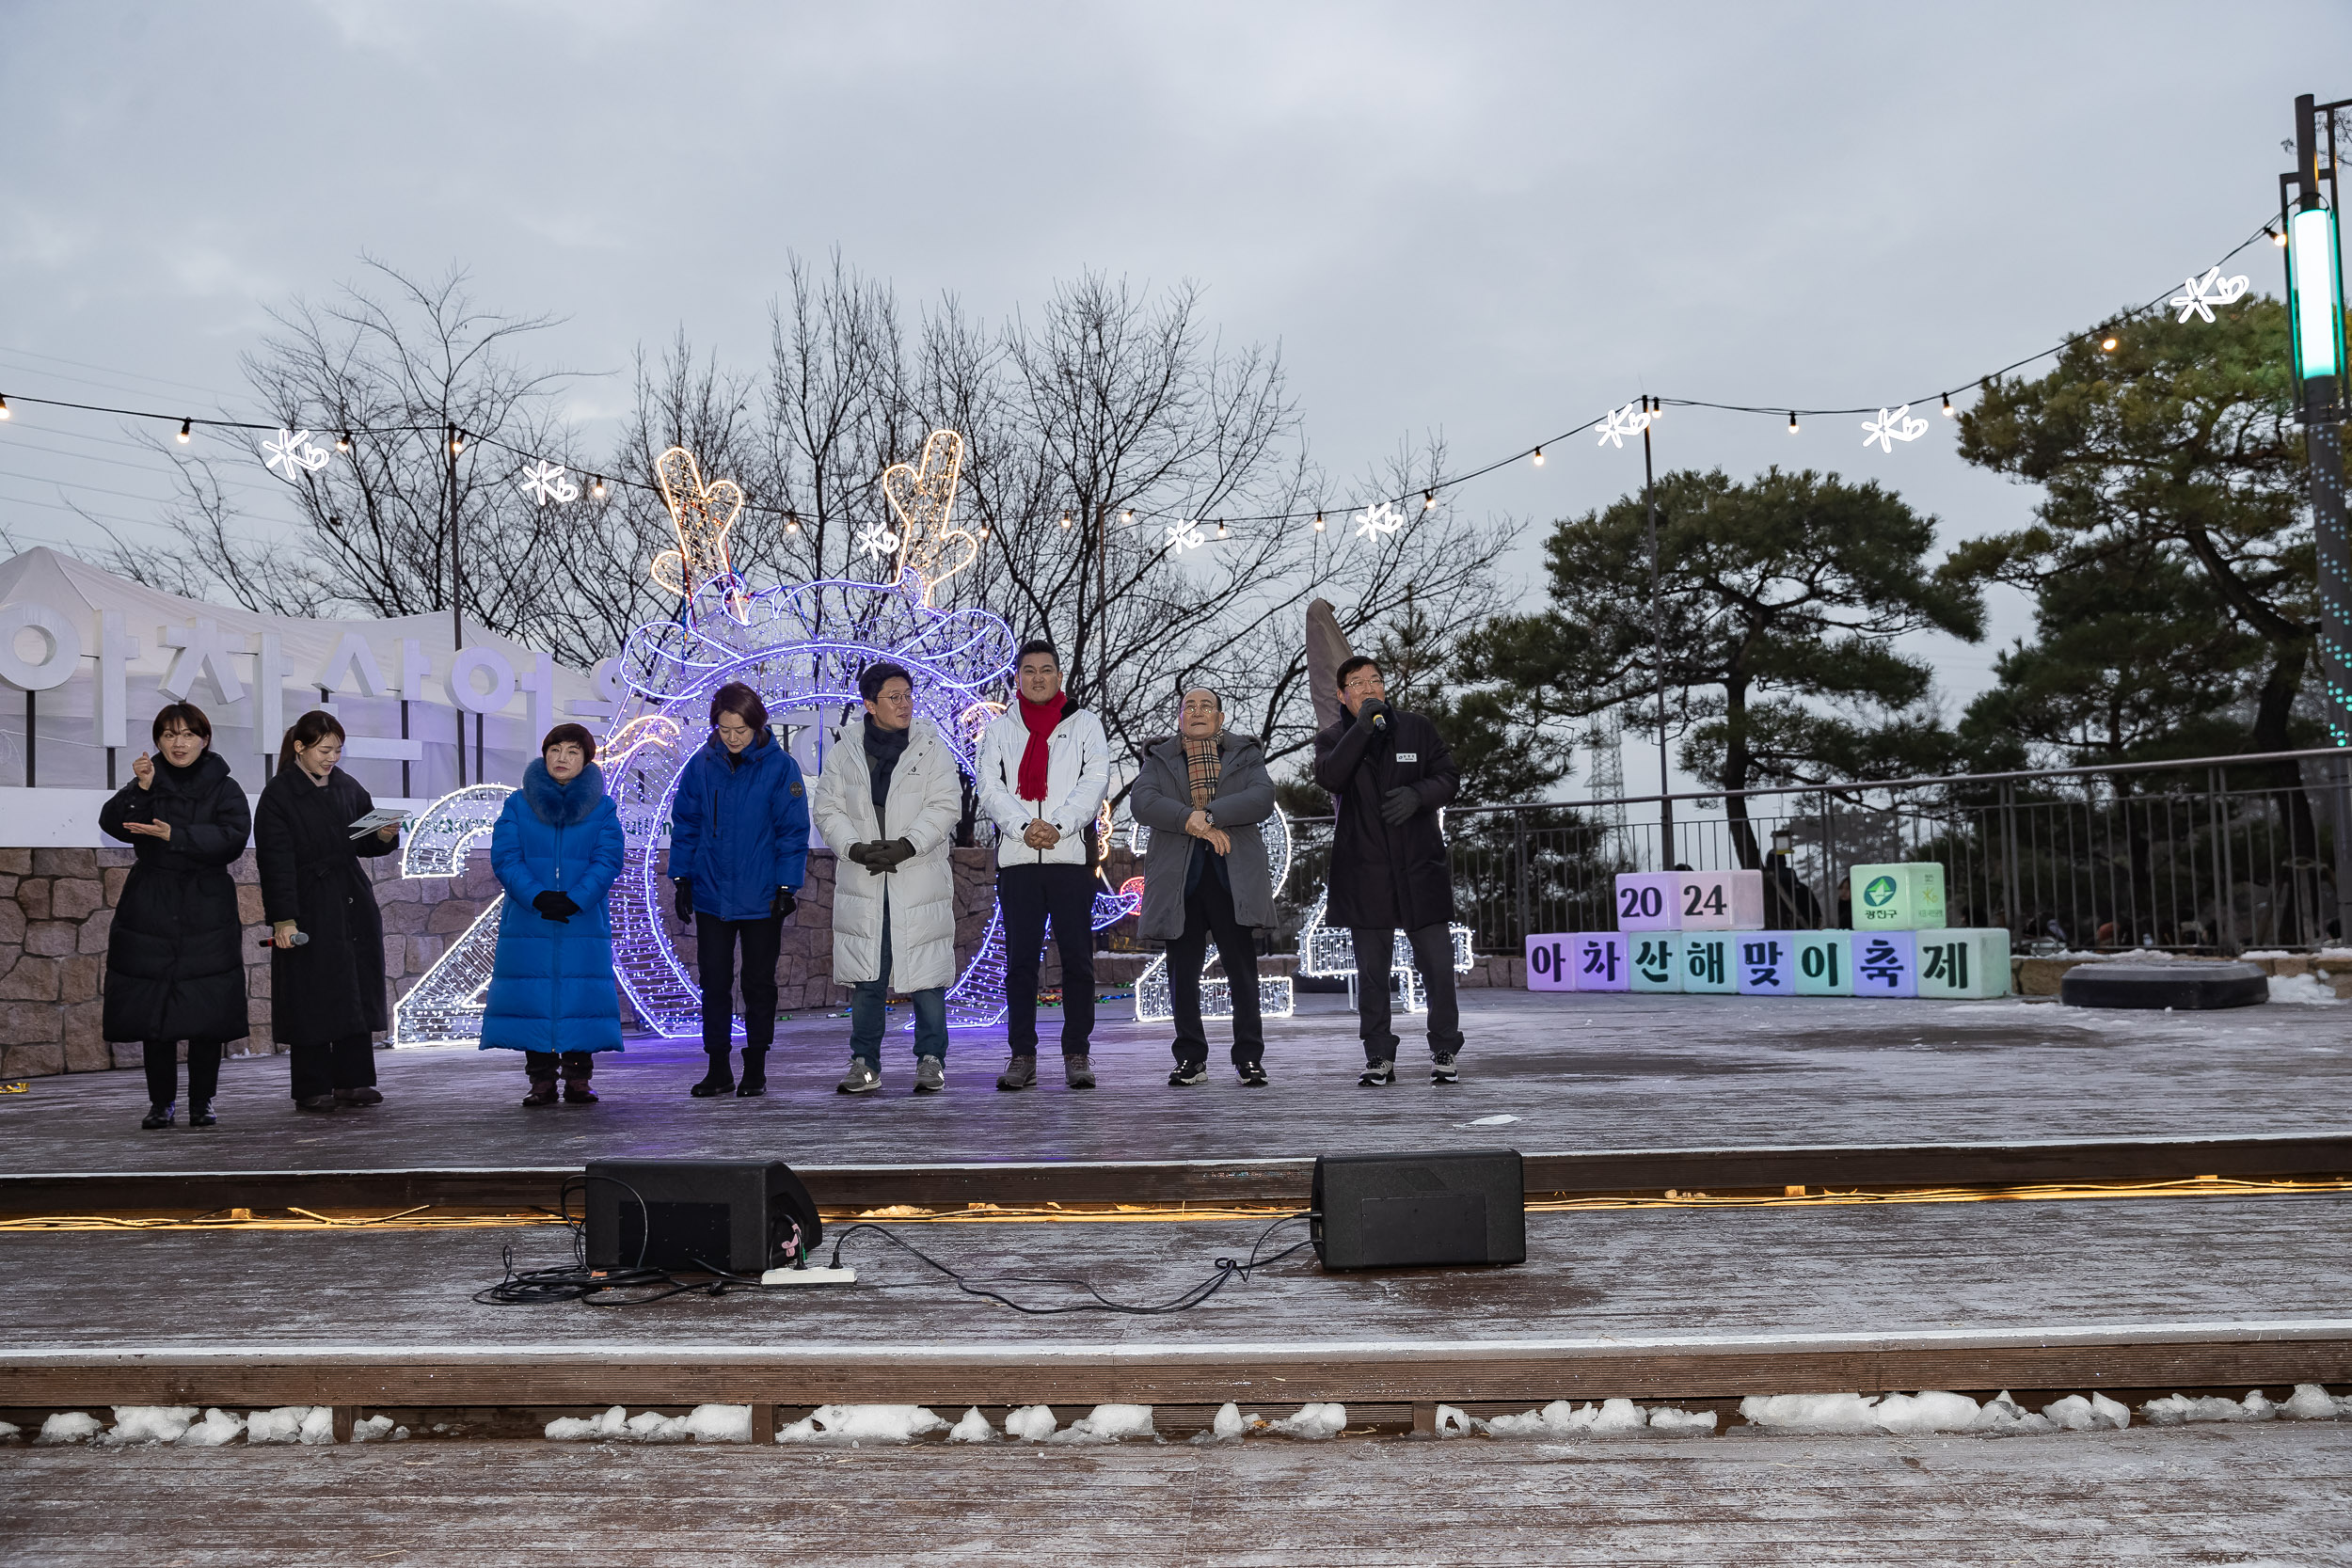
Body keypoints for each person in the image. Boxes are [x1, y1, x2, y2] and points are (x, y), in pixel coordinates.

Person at [1311, 655, 1463, 1086]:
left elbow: (1449, 777)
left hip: (1419, 867)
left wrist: (1419, 795)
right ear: (1341, 695)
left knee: (1437, 966)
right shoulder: (1331, 739)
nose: (1369, 688)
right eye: (1356, 683)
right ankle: (1379, 1055)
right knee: (1373, 975)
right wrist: (1362, 729)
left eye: (1375, 680)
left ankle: (1445, 1049)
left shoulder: (1416, 727)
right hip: (1365, 872)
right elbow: (1332, 778)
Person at [811, 662, 962, 1095]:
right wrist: (854, 847)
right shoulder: (845, 751)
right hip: (864, 878)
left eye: (908, 695)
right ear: (870, 704)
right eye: (894, 697)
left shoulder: (931, 747)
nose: (904, 704)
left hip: (917, 876)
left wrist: (907, 844)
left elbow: (945, 805)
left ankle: (931, 1059)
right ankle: (864, 1062)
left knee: (927, 974)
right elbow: (827, 809)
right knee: (867, 977)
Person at [99, 703, 251, 1130]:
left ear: (204, 739)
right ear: (158, 741)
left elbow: (233, 838)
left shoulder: (225, 786)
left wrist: (176, 834)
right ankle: (160, 1103)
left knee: (206, 1012)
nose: (178, 743)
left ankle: (202, 1102)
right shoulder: (148, 779)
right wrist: (143, 790)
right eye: (168, 735)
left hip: (207, 904)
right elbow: (112, 822)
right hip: (151, 902)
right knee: (155, 1013)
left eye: (187, 734)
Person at [976, 639, 1110, 1091]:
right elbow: (989, 787)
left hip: (1070, 858)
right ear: (1017, 678)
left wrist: (1057, 825)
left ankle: (1077, 1053)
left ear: (1059, 677)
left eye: (1046, 670)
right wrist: (1022, 827)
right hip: (1018, 862)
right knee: (1020, 964)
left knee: (1077, 961)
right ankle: (1022, 1055)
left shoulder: (1085, 724)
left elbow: (1094, 781)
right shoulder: (999, 729)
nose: (1037, 677)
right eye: (1028, 670)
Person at [1130, 686, 1278, 1087]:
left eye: (1205, 706)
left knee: (1243, 973)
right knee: (1182, 975)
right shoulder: (1160, 757)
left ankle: (1249, 1057)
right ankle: (1191, 1058)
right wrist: (1186, 819)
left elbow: (1262, 797)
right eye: (1188, 706)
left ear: (1220, 717)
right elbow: (1142, 802)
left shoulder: (1245, 753)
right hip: (1180, 881)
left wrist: (1207, 816)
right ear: (1179, 717)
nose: (1197, 711)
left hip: (1234, 877)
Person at [666, 681, 809, 1098]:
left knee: (757, 981)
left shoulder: (779, 768)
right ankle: (717, 1067)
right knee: (713, 979)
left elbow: (792, 830)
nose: (732, 738)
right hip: (712, 892)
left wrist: (787, 885)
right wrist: (682, 878)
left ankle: (756, 1066)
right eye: (725, 730)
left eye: (740, 730)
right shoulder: (701, 765)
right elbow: (687, 823)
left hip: (762, 893)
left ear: (757, 724)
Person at [255, 710, 401, 1113]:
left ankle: (354, 1080)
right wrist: (284, 918)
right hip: (309, 901)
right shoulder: (279, 794)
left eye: (337, 749)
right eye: (324, 750)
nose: (331, 758)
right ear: (300, 747)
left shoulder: (348, 786)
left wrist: (386, 834)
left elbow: (362, 842)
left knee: (353, 985)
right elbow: (275, 862)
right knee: (312, 991)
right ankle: (311, 1084)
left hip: (351, 897)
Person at [481, 723, 627, 1106]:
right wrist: (538, 896)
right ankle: (540, 1080)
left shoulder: (603, 806)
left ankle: (579, 1078)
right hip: (531, 918)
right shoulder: (518, 803)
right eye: (556, 750)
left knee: (580, 995)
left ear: (586, 759)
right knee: (534, 997)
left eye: (573, 752)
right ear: (544, 755)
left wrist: (577, 898)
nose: (562, 758)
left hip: (583, 918)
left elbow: (608, 858)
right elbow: (506, 857)